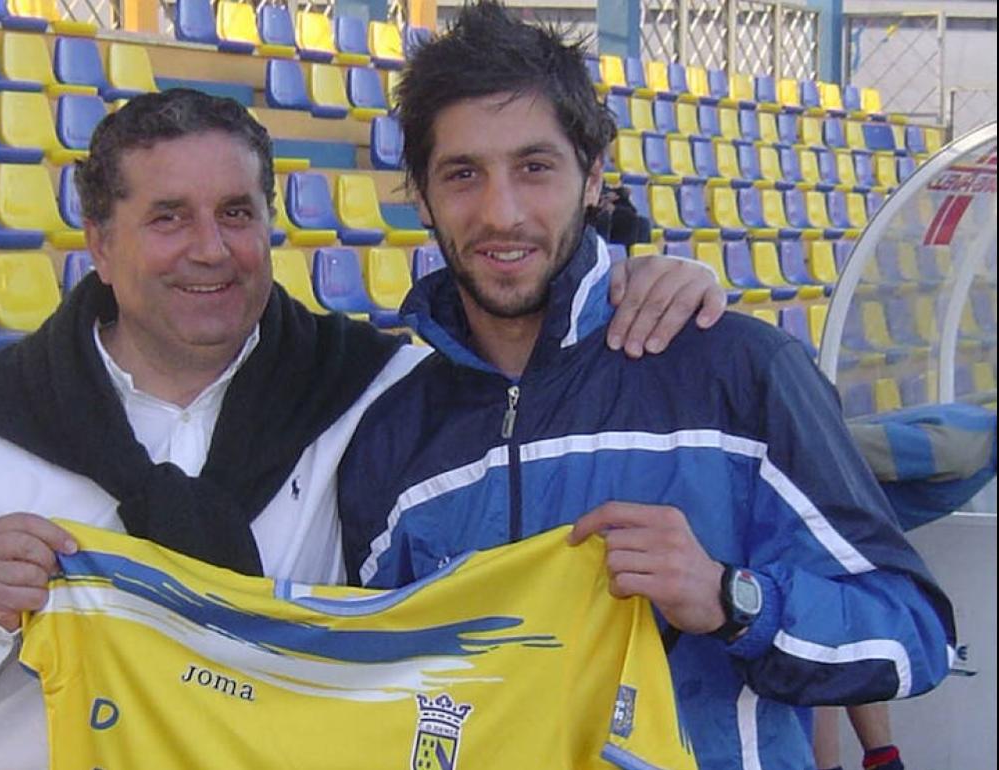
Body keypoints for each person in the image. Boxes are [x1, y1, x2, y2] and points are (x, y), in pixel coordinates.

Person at [0, 88, 723, 770]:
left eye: (236, 214)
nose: (209, 249)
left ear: (270, 227)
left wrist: (638, 283)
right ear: (98, 238)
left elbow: (530, 374)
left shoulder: (373, 390)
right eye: (167, 218)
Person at [335, 4, 956, 770]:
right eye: (463, 175)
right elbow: (374, 695)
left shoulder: (737, 373)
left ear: (594, 176)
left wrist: (733, 600)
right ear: (422, 196)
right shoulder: (391, 437)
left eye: (535, 167)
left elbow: (911, 636)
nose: (500, 212)